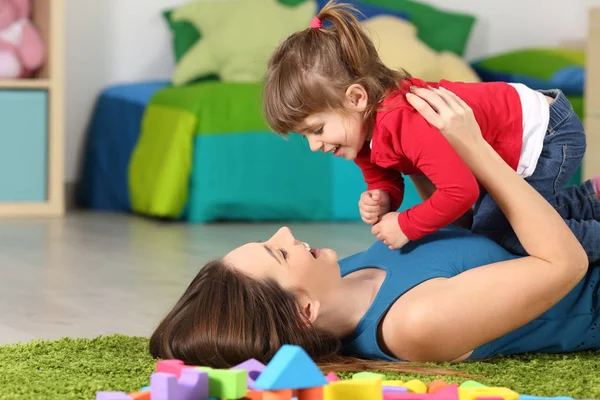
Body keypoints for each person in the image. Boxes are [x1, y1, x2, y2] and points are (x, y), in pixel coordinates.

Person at [150, 87, 595, 371]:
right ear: (306, 311)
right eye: (279, 253)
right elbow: (564, 263)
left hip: (570, 214)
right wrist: (473, 147)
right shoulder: (412, 325)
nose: (285, 233)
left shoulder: (344, 274)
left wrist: (425, 150)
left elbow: (472, 236)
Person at [262, 1, 600, 262]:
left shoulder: (405, 120)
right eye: (304, 135)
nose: (313, 145)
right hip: (513, 139)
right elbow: (383, 177)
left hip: (542, 134)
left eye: (317, 129)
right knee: (488, 225)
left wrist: (406, 224)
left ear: (356, 97)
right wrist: (382, 198)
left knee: (504, 236)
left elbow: (460, 193)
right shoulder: (361, 131)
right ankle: (590, 200)